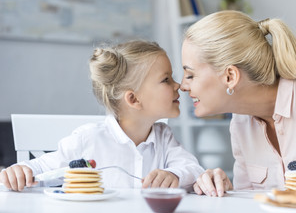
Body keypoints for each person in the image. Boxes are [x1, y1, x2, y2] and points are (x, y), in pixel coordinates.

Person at [180, 10, 296, 197]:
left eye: (191, 75)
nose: (182, 86)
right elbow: (251, 205)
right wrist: (223, 189)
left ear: (230, 76)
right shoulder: (240, 124)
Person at [1, 40, 204, 191]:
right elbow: (41, 167)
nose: (178, 85)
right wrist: (20, 170)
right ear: (133, 99)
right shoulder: (88, 139)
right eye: (166, 79)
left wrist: (174, 174)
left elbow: (193, 169)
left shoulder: (164, 137)